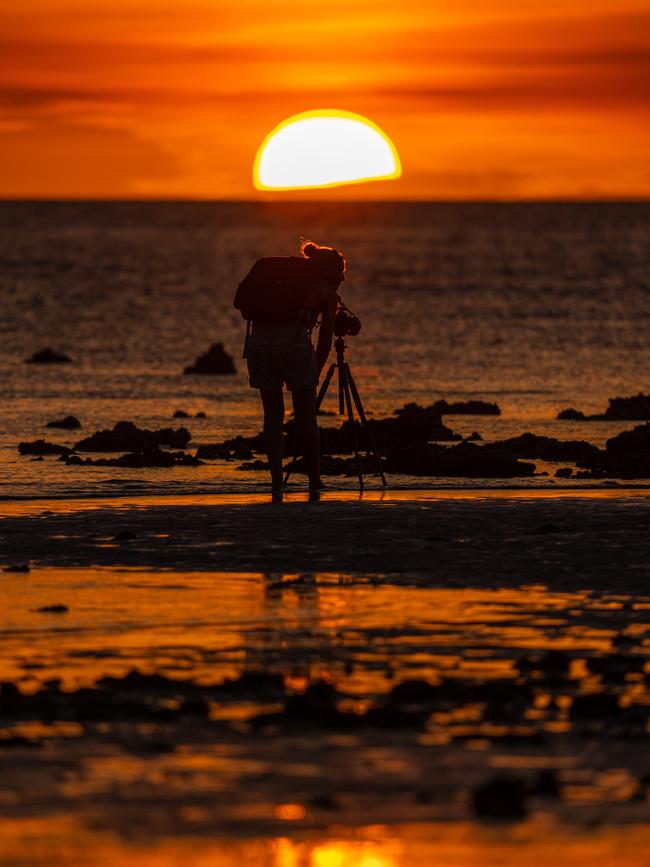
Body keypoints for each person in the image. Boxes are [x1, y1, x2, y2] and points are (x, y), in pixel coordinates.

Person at [234, 240, 345, 492]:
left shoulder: (277, 275)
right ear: (331, 271)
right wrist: (314, 371)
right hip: (293, 343)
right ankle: (315, 481)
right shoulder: (324, 290)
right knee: (306, 417)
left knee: (272, 416)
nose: (341, 280)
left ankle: (275, 483)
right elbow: (325, 339)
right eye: (340, 274)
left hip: (258, 342)